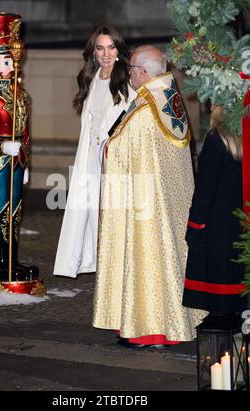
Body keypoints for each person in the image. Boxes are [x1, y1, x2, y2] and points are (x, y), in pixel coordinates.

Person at [93, 46, 206, 348]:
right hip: (171, 200)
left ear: (142, 72)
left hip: (147, 207)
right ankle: (178, 318)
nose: (128, 73)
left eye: (130, 68)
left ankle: (150, 328)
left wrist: (105, 147)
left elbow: (119, 150)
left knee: (148, 258)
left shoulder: (145, 110)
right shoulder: (170, 98)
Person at [53, 25, 136, 278]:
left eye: (111, 47)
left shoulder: (127, 81)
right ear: (93, 52)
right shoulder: (90, 78)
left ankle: (118, 265)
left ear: (119, 50)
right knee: (89, 211)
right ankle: (96, 261)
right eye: (100, 48)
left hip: (115, 158)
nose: (106, 54)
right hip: (90, 156)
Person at [0, 13, 38, 282]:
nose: (12, 64)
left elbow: (25, 132)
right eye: (6, 60)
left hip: (17, 161)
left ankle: (13, 261)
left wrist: (26, 161)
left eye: (12, 60)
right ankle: (1, 265)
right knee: (0, 211)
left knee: (14, 214)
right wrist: (2, 146)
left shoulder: (21, 95)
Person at [182, 105, 247, 315]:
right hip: (242, 225)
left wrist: (195, 227)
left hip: (219, 230)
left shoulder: (216, 140)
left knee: (222, 300)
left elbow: (205, 191)